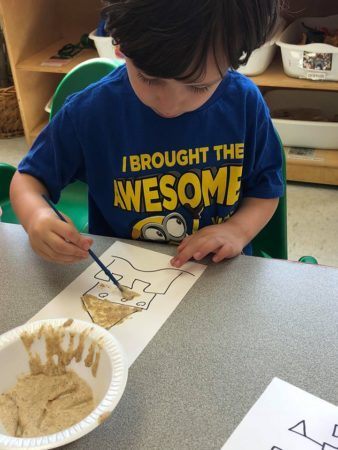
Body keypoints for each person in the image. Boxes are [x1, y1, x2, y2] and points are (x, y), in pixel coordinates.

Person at [10, 0, 284, 269]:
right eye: (149, 79)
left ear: (233, 59)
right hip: (123, 278)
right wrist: (37, 217)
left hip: (216, 274)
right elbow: (27, 180)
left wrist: (237, 230)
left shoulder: (244, 105)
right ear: (120, 45)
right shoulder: (91, 112)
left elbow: (265, 190)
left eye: (198, 87)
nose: (169, 103)